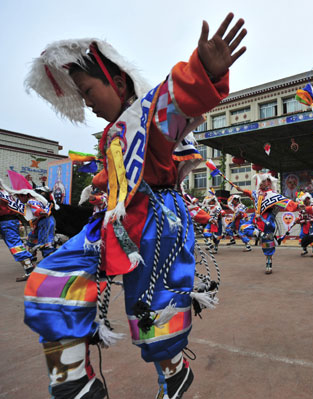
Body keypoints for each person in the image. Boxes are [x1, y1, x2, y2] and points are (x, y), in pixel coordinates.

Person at [23, 13, 246, 399]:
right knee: (52, 279)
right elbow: (116, 178)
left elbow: (173, 100)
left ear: (119, 81)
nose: (87, 102)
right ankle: (75, 381)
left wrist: (202, 72)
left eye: (89, 91)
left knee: (152, 312)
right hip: (116, 222)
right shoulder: (114, 132)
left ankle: (174, 373)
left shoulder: (147, 116)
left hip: (154, 224)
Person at [0, 183, 40, 281]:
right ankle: (29, 263)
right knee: (16, 244)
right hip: (11, 221)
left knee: (15, 246)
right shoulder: (7, 193)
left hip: (6, 222)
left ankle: (29, 269)